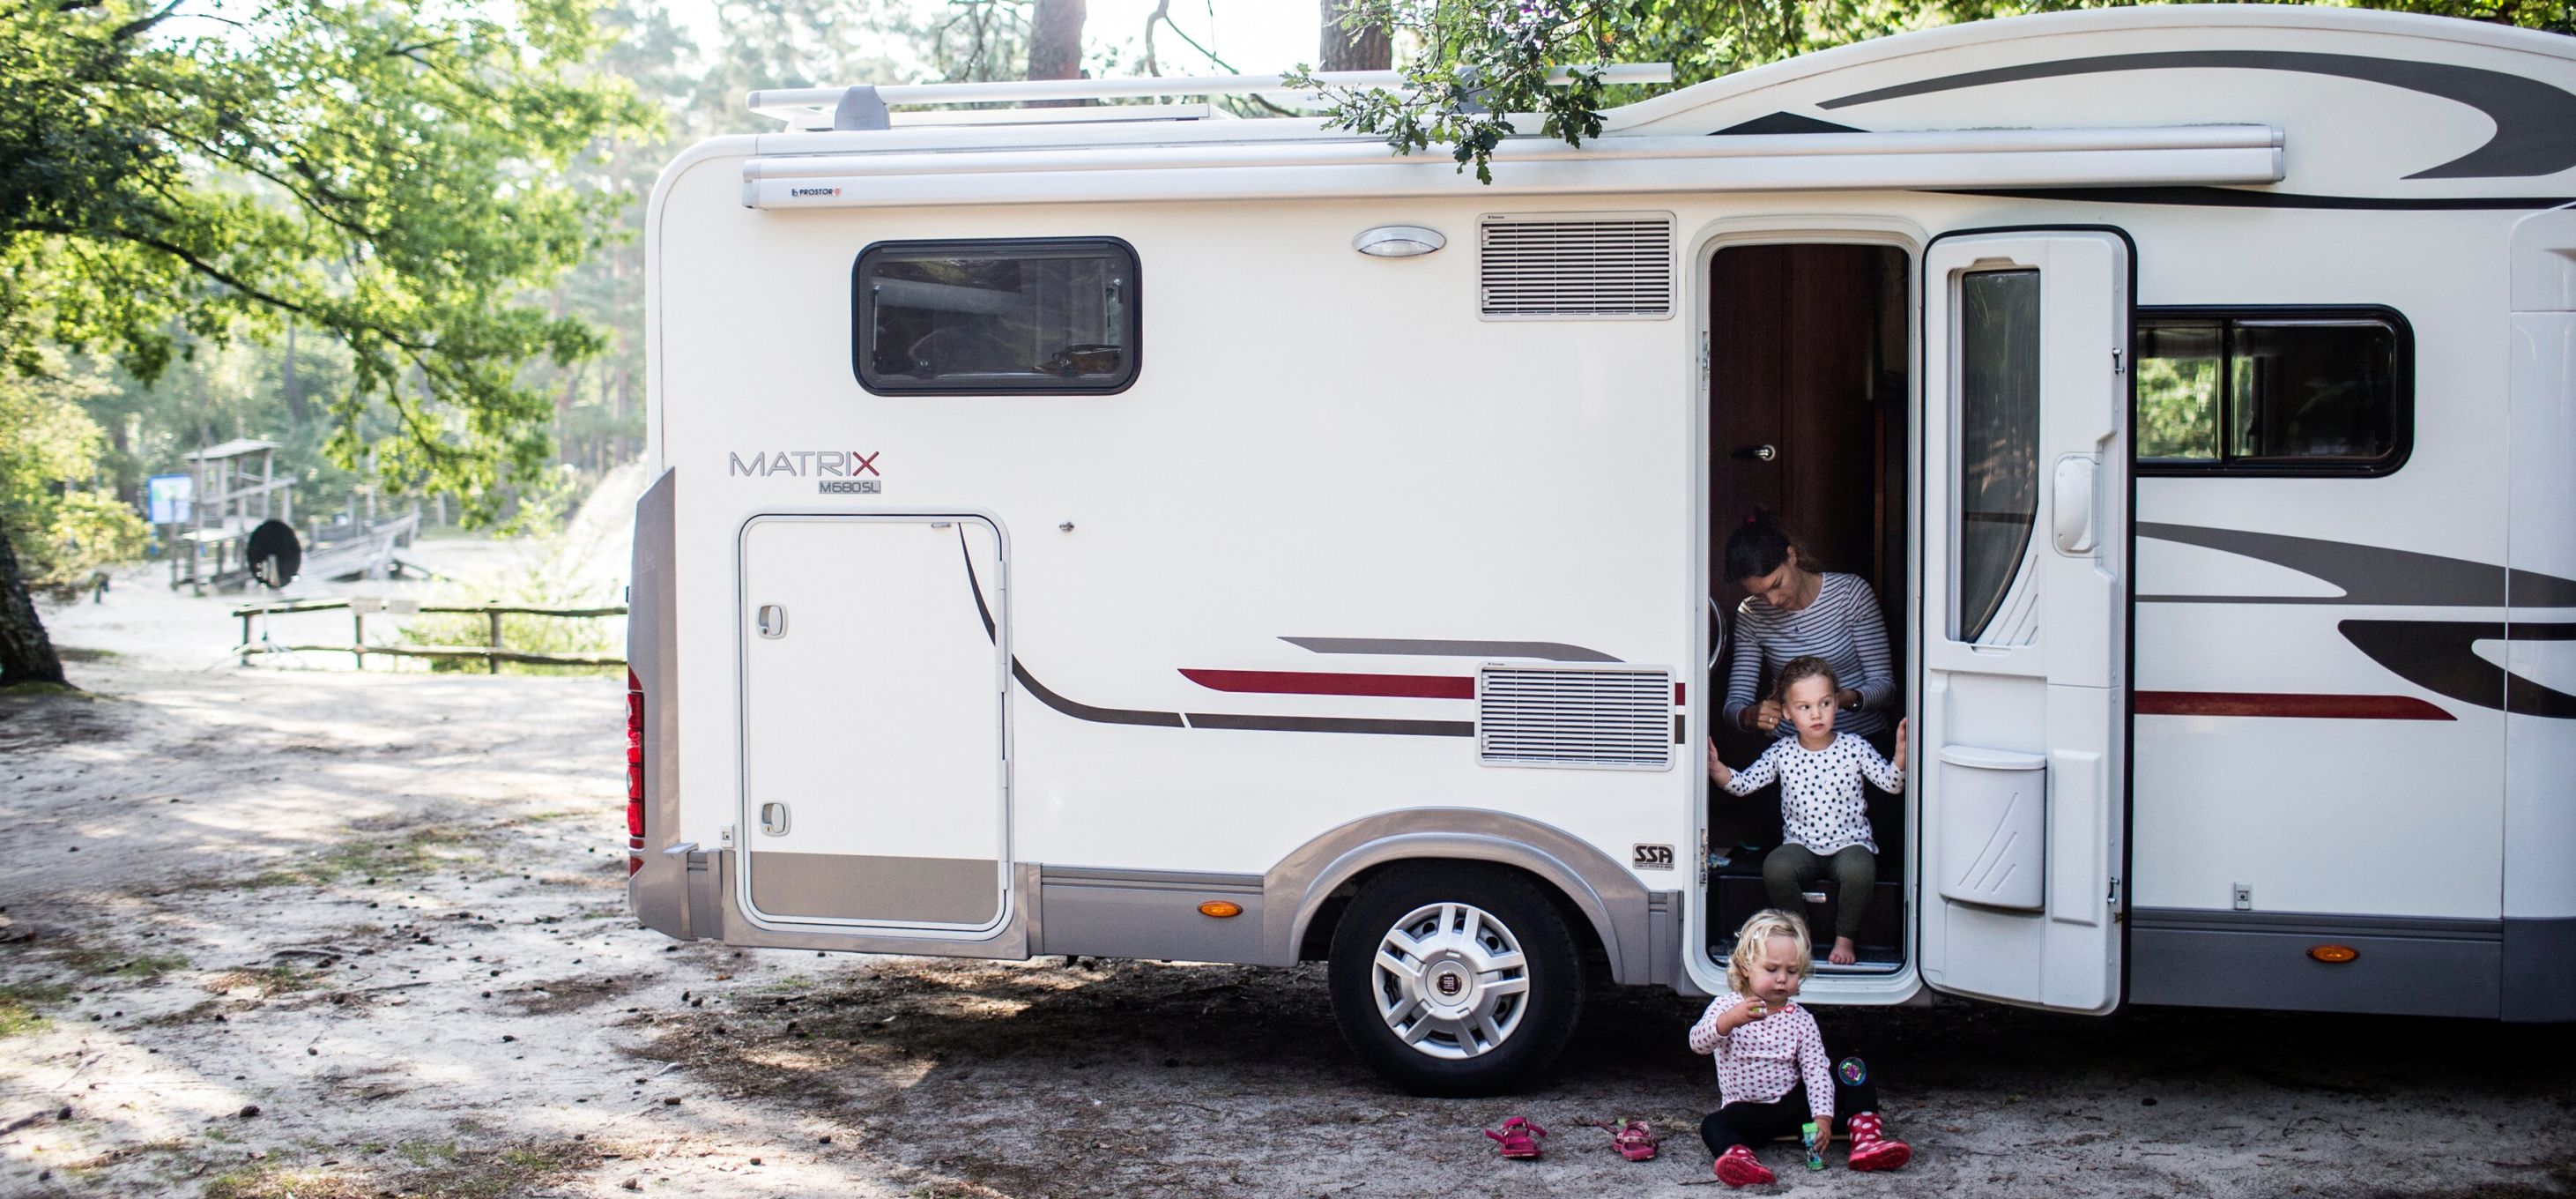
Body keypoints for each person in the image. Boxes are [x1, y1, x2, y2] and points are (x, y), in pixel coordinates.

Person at [1687, 908, 1912, 1186]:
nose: (1782, 978)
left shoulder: (1801, 1019)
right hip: (1749, 1111)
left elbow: (1816, 1070)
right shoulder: (1727, 1006)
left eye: (1792, 971)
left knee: (1851, 1070)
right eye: (1771, 969)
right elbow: (1697, 1044)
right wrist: (1728, 1022)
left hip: (1794, 1106)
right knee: (1713, 1124)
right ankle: (1741, 1159)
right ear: (1746, 966)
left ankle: (1867, 1143)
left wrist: (1823, 1118)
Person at [1709, 657, 1907, 965]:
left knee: (1860, 869)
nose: (1817, 714)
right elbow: (1744, 784)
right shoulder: (1782, 752)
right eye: (1804, 707)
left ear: (1836, 703)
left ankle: (1845, 938)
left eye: (1825, 703)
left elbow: (1891, 785)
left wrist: (1900, 758)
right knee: (1776, 867)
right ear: (1787, 712)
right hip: (1801, 846)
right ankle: (1801, 936)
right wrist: (1718, 769)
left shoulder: (1854, 747)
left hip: (1849, 844)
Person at [1719, 513, 1895, 748]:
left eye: (1776, 584)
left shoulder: (1850, 594)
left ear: (1791, 556)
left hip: (1861, 742)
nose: (1772, 601)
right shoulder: (1752, 613)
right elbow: (1734, 706)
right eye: (1759, 594)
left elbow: (1885, 687)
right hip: (1795, 750)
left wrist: (1842, 699)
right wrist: (1750, 716)